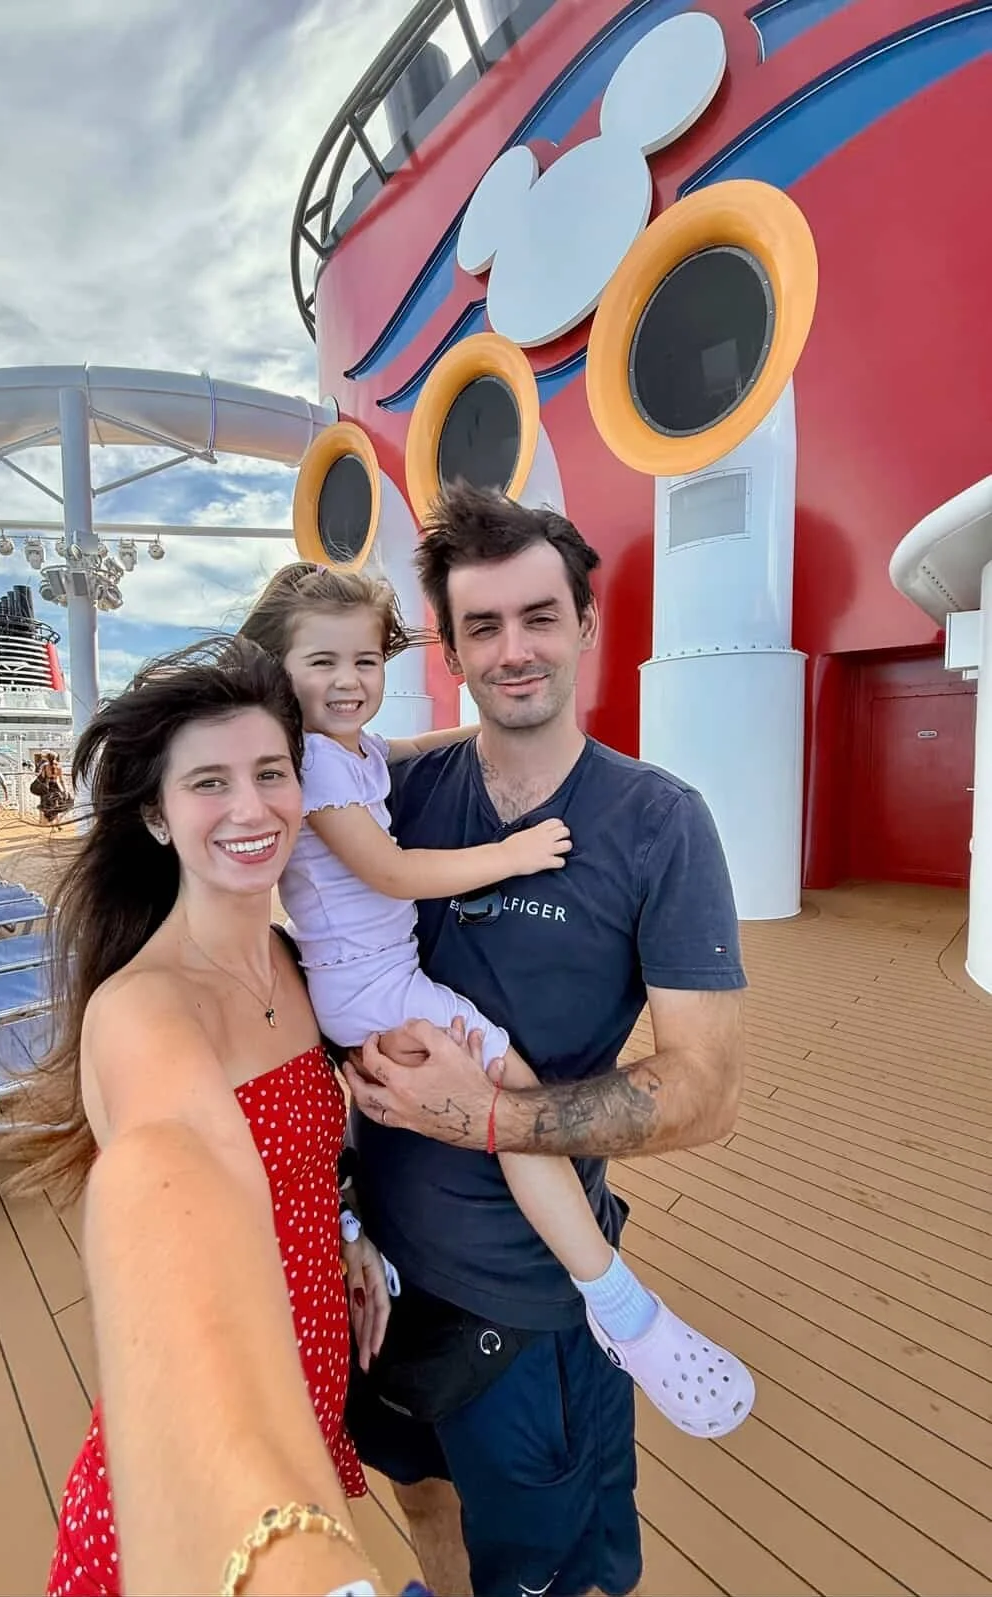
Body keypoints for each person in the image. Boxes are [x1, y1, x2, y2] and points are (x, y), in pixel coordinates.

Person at [326, 484, 748, 1597]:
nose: (515, 650)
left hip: (532, 1309)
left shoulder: (658, 823)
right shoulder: (394, 796)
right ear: (454, 649)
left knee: (558, 1573)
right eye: (483, 626)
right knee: (419, 1496)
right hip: (379, 1283)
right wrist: (344, 1212)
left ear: (586, 624)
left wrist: (485, 1116)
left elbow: (705, 1089)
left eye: (539, 616)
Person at [240, 564, 750, 1435]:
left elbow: (399, 751)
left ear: (585, 625)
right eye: (321, 662)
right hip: (374, 986)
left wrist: (478, 724)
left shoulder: (353, 752)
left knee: (501, 1094)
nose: (349, 682)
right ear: (276, 670)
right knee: (506, 1088)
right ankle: (617, 1301)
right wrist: (513, 854)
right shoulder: (312, 767)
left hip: (380, 983)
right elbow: (393, 871)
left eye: (366, 661)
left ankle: (600, 1294)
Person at [0, 638, 391, 1597]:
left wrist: (345, 1229)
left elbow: (295, 1153)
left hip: (314, 1372)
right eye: (209, 782)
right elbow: (181, 1160)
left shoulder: (296, 967)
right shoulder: (143, 1012)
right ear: (159, 819)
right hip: (201, 1441)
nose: (251, 808)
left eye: (271, 773)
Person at [84, 1113, 434, 1597]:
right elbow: (151, 1163)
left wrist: (347, 1225)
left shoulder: (290, 1029)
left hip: (317, 1382)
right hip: (225, 1418)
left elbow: (300, 1149)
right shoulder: (146, 1041)